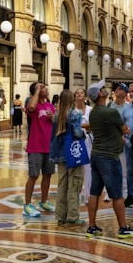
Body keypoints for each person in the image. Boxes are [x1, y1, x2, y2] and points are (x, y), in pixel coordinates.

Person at [85, 79, 133, 239]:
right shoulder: (111, 112)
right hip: (109, 156)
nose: (105, 89)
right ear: (100, 94)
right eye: (102, 88)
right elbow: (126, 129)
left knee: (94, 191)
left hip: (96, 155)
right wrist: (120, 133)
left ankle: (92, 226)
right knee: (116, 194)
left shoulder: (93, 112)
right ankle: (123, 228)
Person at [50, 90, 85, 224]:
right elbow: (77, 133)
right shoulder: (75, 114)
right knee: (74, 184)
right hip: (73, 153)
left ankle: (60, 216)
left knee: (62, 185)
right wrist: (84, 132)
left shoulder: (56, 115)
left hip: (60, 154)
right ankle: (73, 216)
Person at [22, 82, 56, 217]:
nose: (45, 89)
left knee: (48, 174)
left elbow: (55, 121)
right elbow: (30, 107)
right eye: (41, 87)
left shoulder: (49, 105)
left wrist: (52, 117)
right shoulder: (33, 105)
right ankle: (27, 205)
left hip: (49, 146)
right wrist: (36, 92)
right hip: (35, 145)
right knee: (33, 175)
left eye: (44, 87)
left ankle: (44, 201)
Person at [75, 88, 94, 203]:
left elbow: (93, 124)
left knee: (88, 168)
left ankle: (88, 195)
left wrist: (82, 126)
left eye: (81, 92)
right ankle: (76, 194)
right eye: (77, 93)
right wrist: (85, 126)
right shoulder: (72, 110)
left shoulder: (90, 110)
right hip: (76, 141)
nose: (79, 94)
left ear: (85, 96)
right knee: (77, 168)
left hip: (88, 140)